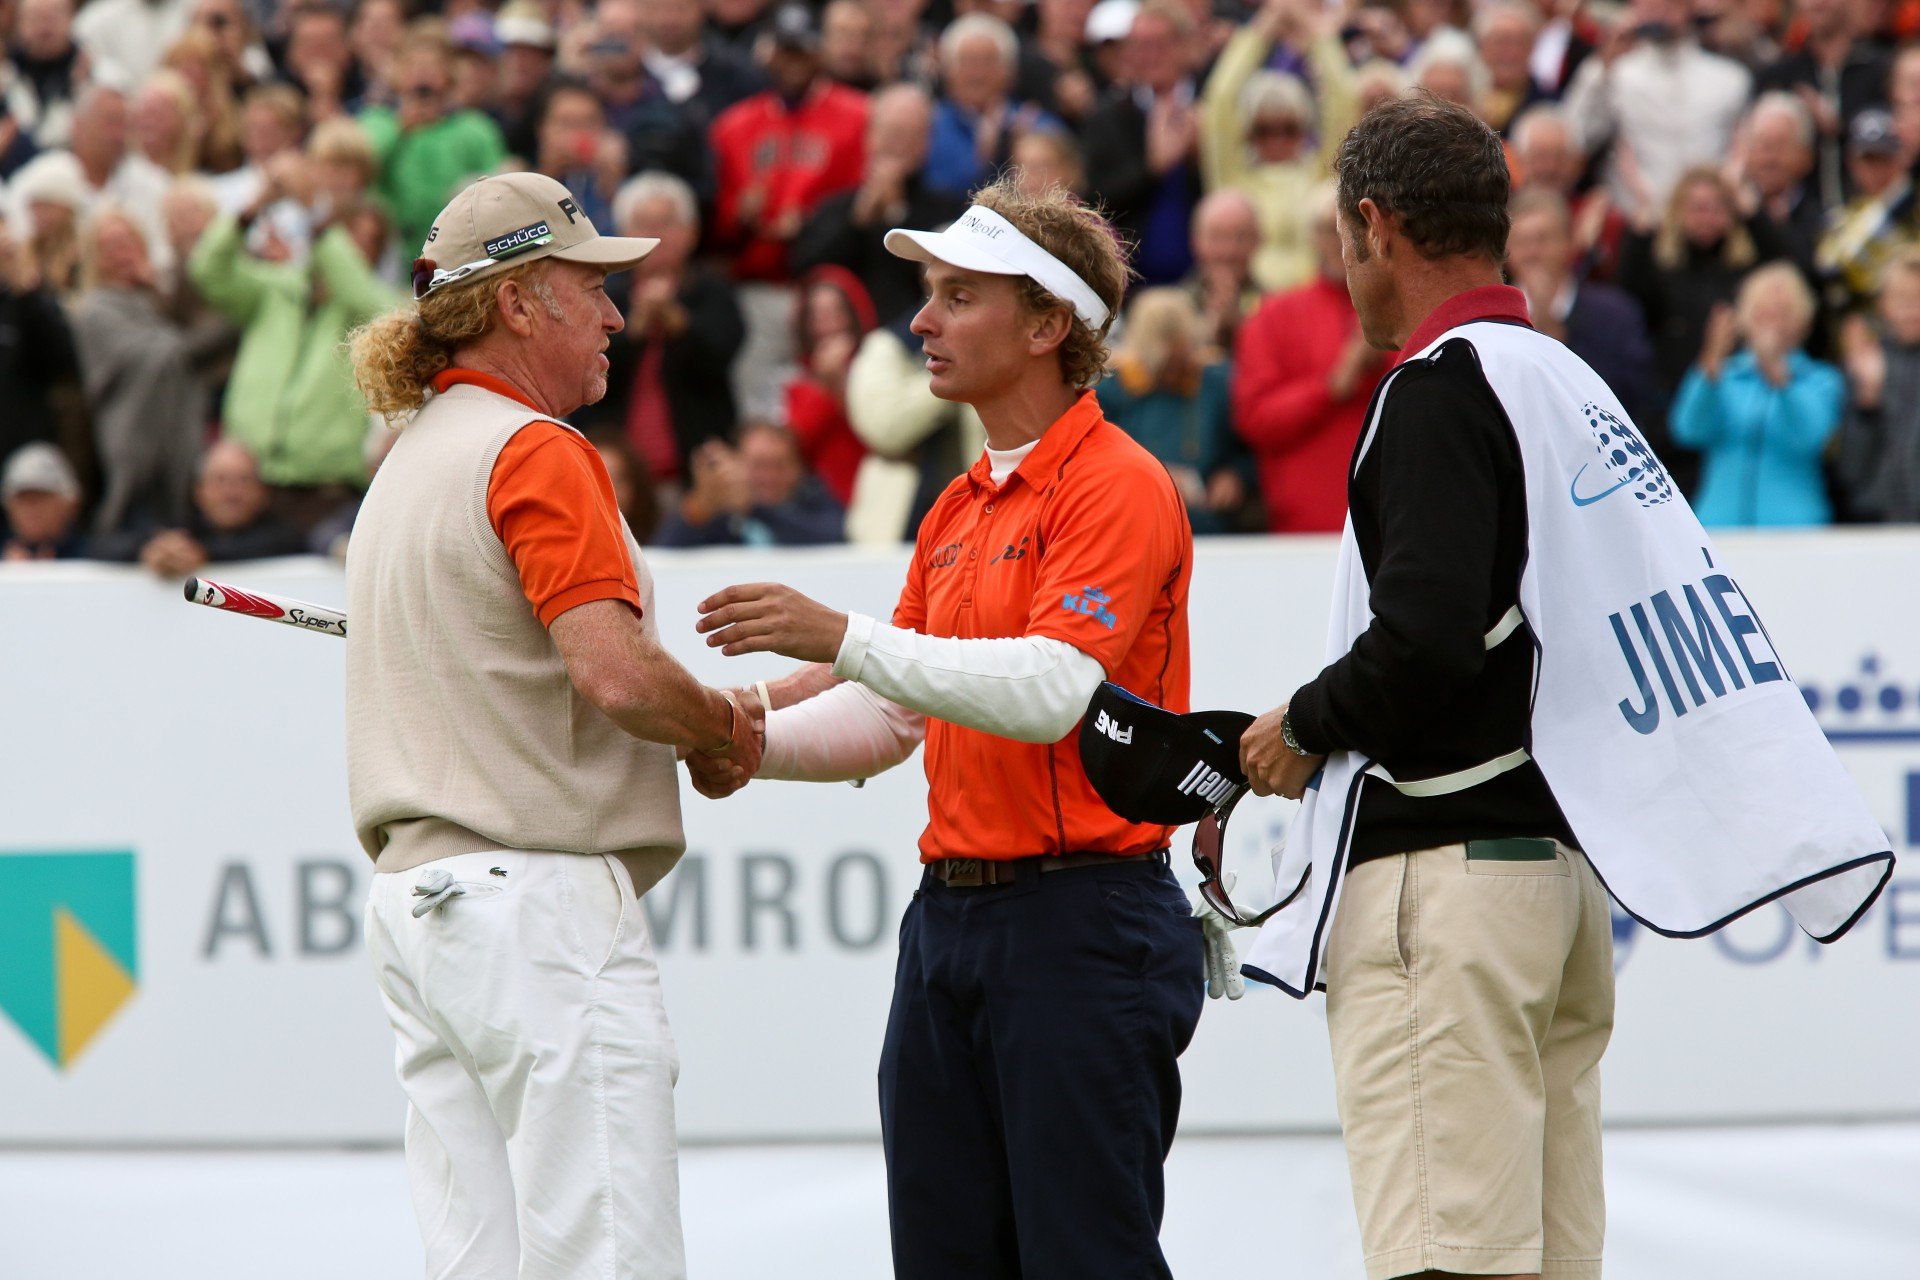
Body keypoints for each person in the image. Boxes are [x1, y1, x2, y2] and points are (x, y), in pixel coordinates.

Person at [1236, 92, 1891, 1280]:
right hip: (1555, 884)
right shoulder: (1564, 380)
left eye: (1344, 240)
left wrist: (1303, 724)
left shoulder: (1440, 386)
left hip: (1446, 889)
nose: (1345, 268)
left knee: (1452, 1264)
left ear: (1375, 225)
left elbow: (1426, 642)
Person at [689, 176, 1207, 1280]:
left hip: (1085, 927)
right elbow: (892, 710)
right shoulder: (957, 505)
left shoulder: (1118, 483)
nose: (921, 320)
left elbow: (1052, 688)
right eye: (930, 293)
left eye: (957, 294)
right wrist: (751, 740)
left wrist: (840, 633)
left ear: (1046, 323)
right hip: (952, 931)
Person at [344, 172, 759, 1279]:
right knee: (605, 1256)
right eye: (592, 286)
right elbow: (617, 675)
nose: (618, 314)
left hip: (419, 916)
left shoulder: (405, 465)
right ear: (520, 302)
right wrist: (719, 730)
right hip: (536, 911)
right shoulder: (537, 451)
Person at [189, 155, 401, 533]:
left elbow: (364, 294)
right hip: (252, 492)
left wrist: (312, 213)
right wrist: (253, 208)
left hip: (326, 496)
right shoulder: (276, 289)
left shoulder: (374, 309)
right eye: (345, 236)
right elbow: (208, 271)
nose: (350, 251)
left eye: (367, 243)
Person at [573, 169, 745, 498]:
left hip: (696, 473)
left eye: (667, 222)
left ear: (692, 232)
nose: (655, 234)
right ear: (621, 232)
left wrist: (676, 320)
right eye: (643, 223)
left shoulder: (713, 290)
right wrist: (634, 326)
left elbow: (723, 353)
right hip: (615, 477)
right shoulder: (603, 293)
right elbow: (582, 369)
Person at [1231, 184, 1390, 533]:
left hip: (1393, 519)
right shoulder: (1272, 316)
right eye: (1327, 229)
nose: (1340, 239)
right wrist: (1332, 386)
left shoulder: (1402, 310)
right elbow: (1255, 419)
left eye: (1352, 226)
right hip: (1305, 526)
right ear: (1312, 239)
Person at [1198, 0, 1357, 293]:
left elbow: (1342, 100)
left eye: (1289, 129)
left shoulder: (1320, 176)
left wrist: (1315, 31)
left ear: (1304, 131)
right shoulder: (1234, 179)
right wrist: (1263, 27)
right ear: (1248, 134)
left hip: (1310, 303)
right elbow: (1219, 103)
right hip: (1248, 304)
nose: (1277, 140)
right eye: (1264, 130)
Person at [1670, 262, 1844, 527]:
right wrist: (1710, 365)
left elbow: (1810, 438)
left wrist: (1779, 375)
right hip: (1719, 525)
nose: (1771, 324)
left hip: (1796, 528)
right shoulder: (1724, 376)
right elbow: (1688, 430)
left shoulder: (1821, 380)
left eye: (1783, 314)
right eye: (1762, 313)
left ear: (1804, 322)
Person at [1561, 0, 1751, 223]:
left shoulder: (1729, 78)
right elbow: (1575, 138)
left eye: (1669, 4)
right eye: (1649, 4)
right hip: (1638, 220)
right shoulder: (1618, 74)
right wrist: (1601, 67)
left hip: (1711, 222)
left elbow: (1744, 152)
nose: (1658, 10)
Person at [791, 83, 956, 329]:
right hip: (841, 338)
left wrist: (896, 215)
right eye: (890, 133)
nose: (897, 145)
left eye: (908, 135)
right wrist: (857, 219)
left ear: (925, 143)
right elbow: (806, 266)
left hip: (915, 337)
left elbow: (938, 279)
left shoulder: (945, 208)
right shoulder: (835, 206)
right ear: (870, 135)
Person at [1505, 189, 1662, 430]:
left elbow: (1636, 395)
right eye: (1522, 242)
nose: (1533, 252)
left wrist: (1554, 331)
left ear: (1569, 242)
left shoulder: (1615, 312)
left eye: (1543, 239)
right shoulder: (1494, 319)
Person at [1097, 286, 1242, 533]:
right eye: (1165, 366)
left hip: (1207, 524)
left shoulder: (1215, 382)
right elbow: (1096, 464)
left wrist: (1235, 475)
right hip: (1136, 524)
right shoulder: (1112, 390)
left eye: (1181, 362)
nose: (1173, 375)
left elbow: (1245, 446)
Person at [358, 24, 508, 254]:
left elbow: (498, 182)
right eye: (413, 66)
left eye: (432, 67)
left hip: (458, 246)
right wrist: (401, 127)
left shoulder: (474, 128)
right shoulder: (378, 121)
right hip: (389, 247)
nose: (422, 75)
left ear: (449, 75)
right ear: (397, 73)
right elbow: (360, 167)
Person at [91, 437, 308, 572]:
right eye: (220, 480)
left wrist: (204, 556)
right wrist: (148, 552)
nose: (231, 493)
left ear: (263, 493)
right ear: (199, 492)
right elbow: (100, 548)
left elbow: (282, 546)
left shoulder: (284, 537)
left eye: (244, 481)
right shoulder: (181, 529)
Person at [654, 421, 846, 545]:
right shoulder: (717, 510)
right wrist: (700, 508)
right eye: (759, 465)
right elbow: (663, 553)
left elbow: (837, 536)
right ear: (736, 462)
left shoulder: (813, 497)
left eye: (779, 466)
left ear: (799, 469)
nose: (768, 477)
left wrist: (755, 508)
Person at [1836, 248, 1920, 521]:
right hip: (1879, 518)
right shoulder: (1865, 361)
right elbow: (1851, 468)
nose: (1913, 310)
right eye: (1904, 300)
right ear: (1883, 304)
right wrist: (1867, 401)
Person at [1, 441, 87, 559]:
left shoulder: (102, 559)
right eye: (23, 500)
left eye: (42, 498)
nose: (31, 510)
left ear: (71, 503)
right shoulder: (4, 559)